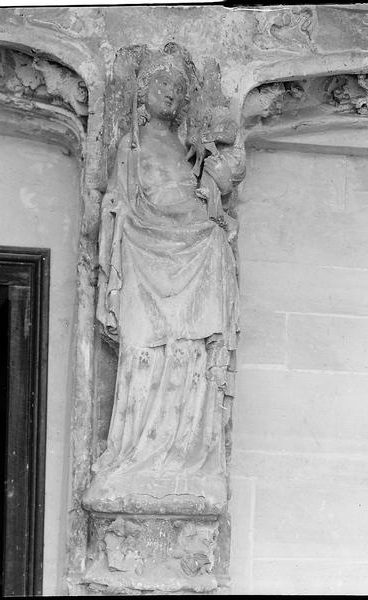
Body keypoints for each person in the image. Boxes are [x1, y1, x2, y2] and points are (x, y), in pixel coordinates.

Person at [83, 46, 245, 515]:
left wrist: (208, 178)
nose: (169, 93)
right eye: (161, 84)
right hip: (144, 252)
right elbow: (117, 202)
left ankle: (187, 456)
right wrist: (117, 215)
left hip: (193, 249)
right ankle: (133, 455)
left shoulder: (189, 149)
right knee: (142, 348)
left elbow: (209, 191)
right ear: (143, 93)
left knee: (190, 350)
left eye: (177, 88)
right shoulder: (129, 146)